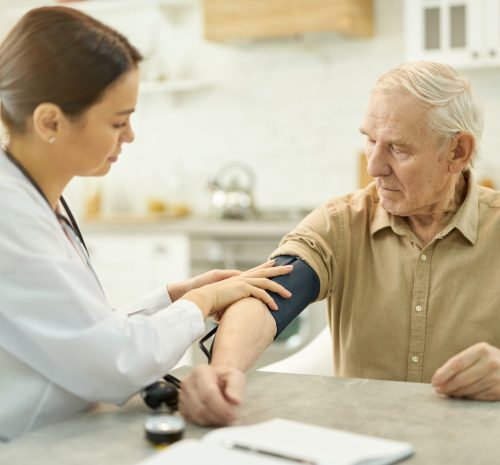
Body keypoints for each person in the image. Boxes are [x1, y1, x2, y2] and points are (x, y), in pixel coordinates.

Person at [0, 6, 294, 441]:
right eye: (118, 121)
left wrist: (172, 298)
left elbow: (83, 332)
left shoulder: (36, 198)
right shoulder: (10, 216)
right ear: (50, 122)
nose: (130, 136)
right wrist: (203, 300)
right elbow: (113, 363)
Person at [179, 61, 500, 427]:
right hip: (361, 443)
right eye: (370, 140)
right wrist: (224, 370)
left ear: (457, 152)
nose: (374, 166)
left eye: (398, 148)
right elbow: (263, 297)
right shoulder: (341, 222)